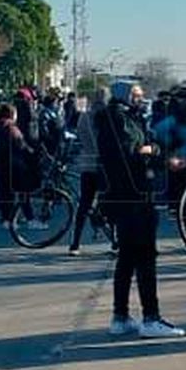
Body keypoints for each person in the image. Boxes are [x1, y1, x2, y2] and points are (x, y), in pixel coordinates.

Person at [96, 81, 185, 338]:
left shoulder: (125, 118)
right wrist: (151, 150)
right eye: (136, 95)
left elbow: (145, 147)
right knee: (144, 258)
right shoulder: (119, 120)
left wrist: (152, 150)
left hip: (128, 195)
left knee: (127, 258)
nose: (141, 98)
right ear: (125, 96)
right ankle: (151, 317)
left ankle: (121, 315)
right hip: (132, 197)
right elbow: (134, 151)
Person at [68, 87, 110, 256]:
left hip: (88, 164)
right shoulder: (109, 116)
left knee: (84, 204)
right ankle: (115, 241)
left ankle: (75, 244)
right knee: (109, 202)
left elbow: (80, 135)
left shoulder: (84, 116)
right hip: (105, 165)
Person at [0, 103, 36, 227]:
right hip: (14, 165)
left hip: (0, 165)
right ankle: (28, 218)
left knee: (5, 191)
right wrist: (32, 152)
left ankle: (6, 219)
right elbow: (21, 145)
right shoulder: (11, 127)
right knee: (23, 192)